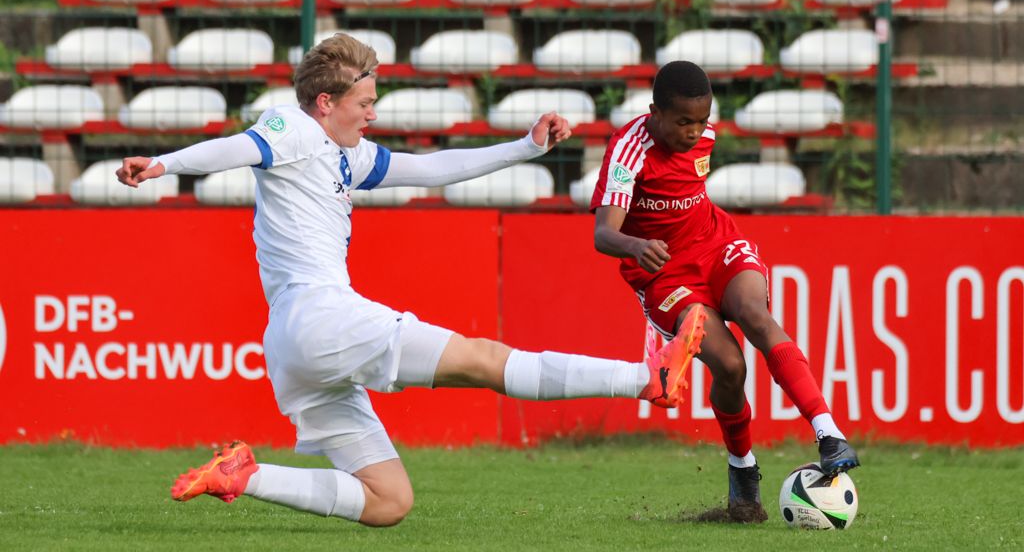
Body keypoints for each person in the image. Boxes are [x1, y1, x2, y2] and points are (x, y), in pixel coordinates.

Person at [116, 33, 701, 527]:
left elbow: (433, 168)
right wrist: (163, 164)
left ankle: (246, 473)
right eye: (364, 102)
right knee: (482, 359)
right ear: (325, 102)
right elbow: (236, 148)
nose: (372, 114)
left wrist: (525, 147)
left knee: (389, 501)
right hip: (324, 317)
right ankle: (645, 378)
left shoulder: (347, 153)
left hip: (297, 345)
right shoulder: (291, 128)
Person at [589, 61, 860, 523]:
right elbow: (602, 233)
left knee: (757, 316)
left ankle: (829, 434)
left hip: (717, 244)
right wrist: (636, 245)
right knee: (730, 366)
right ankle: (743, 472)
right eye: (682, 122)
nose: (695, 131)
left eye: (701, 119)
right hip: (665, 276)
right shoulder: (628, 151)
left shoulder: (706, 136)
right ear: (654, 112)